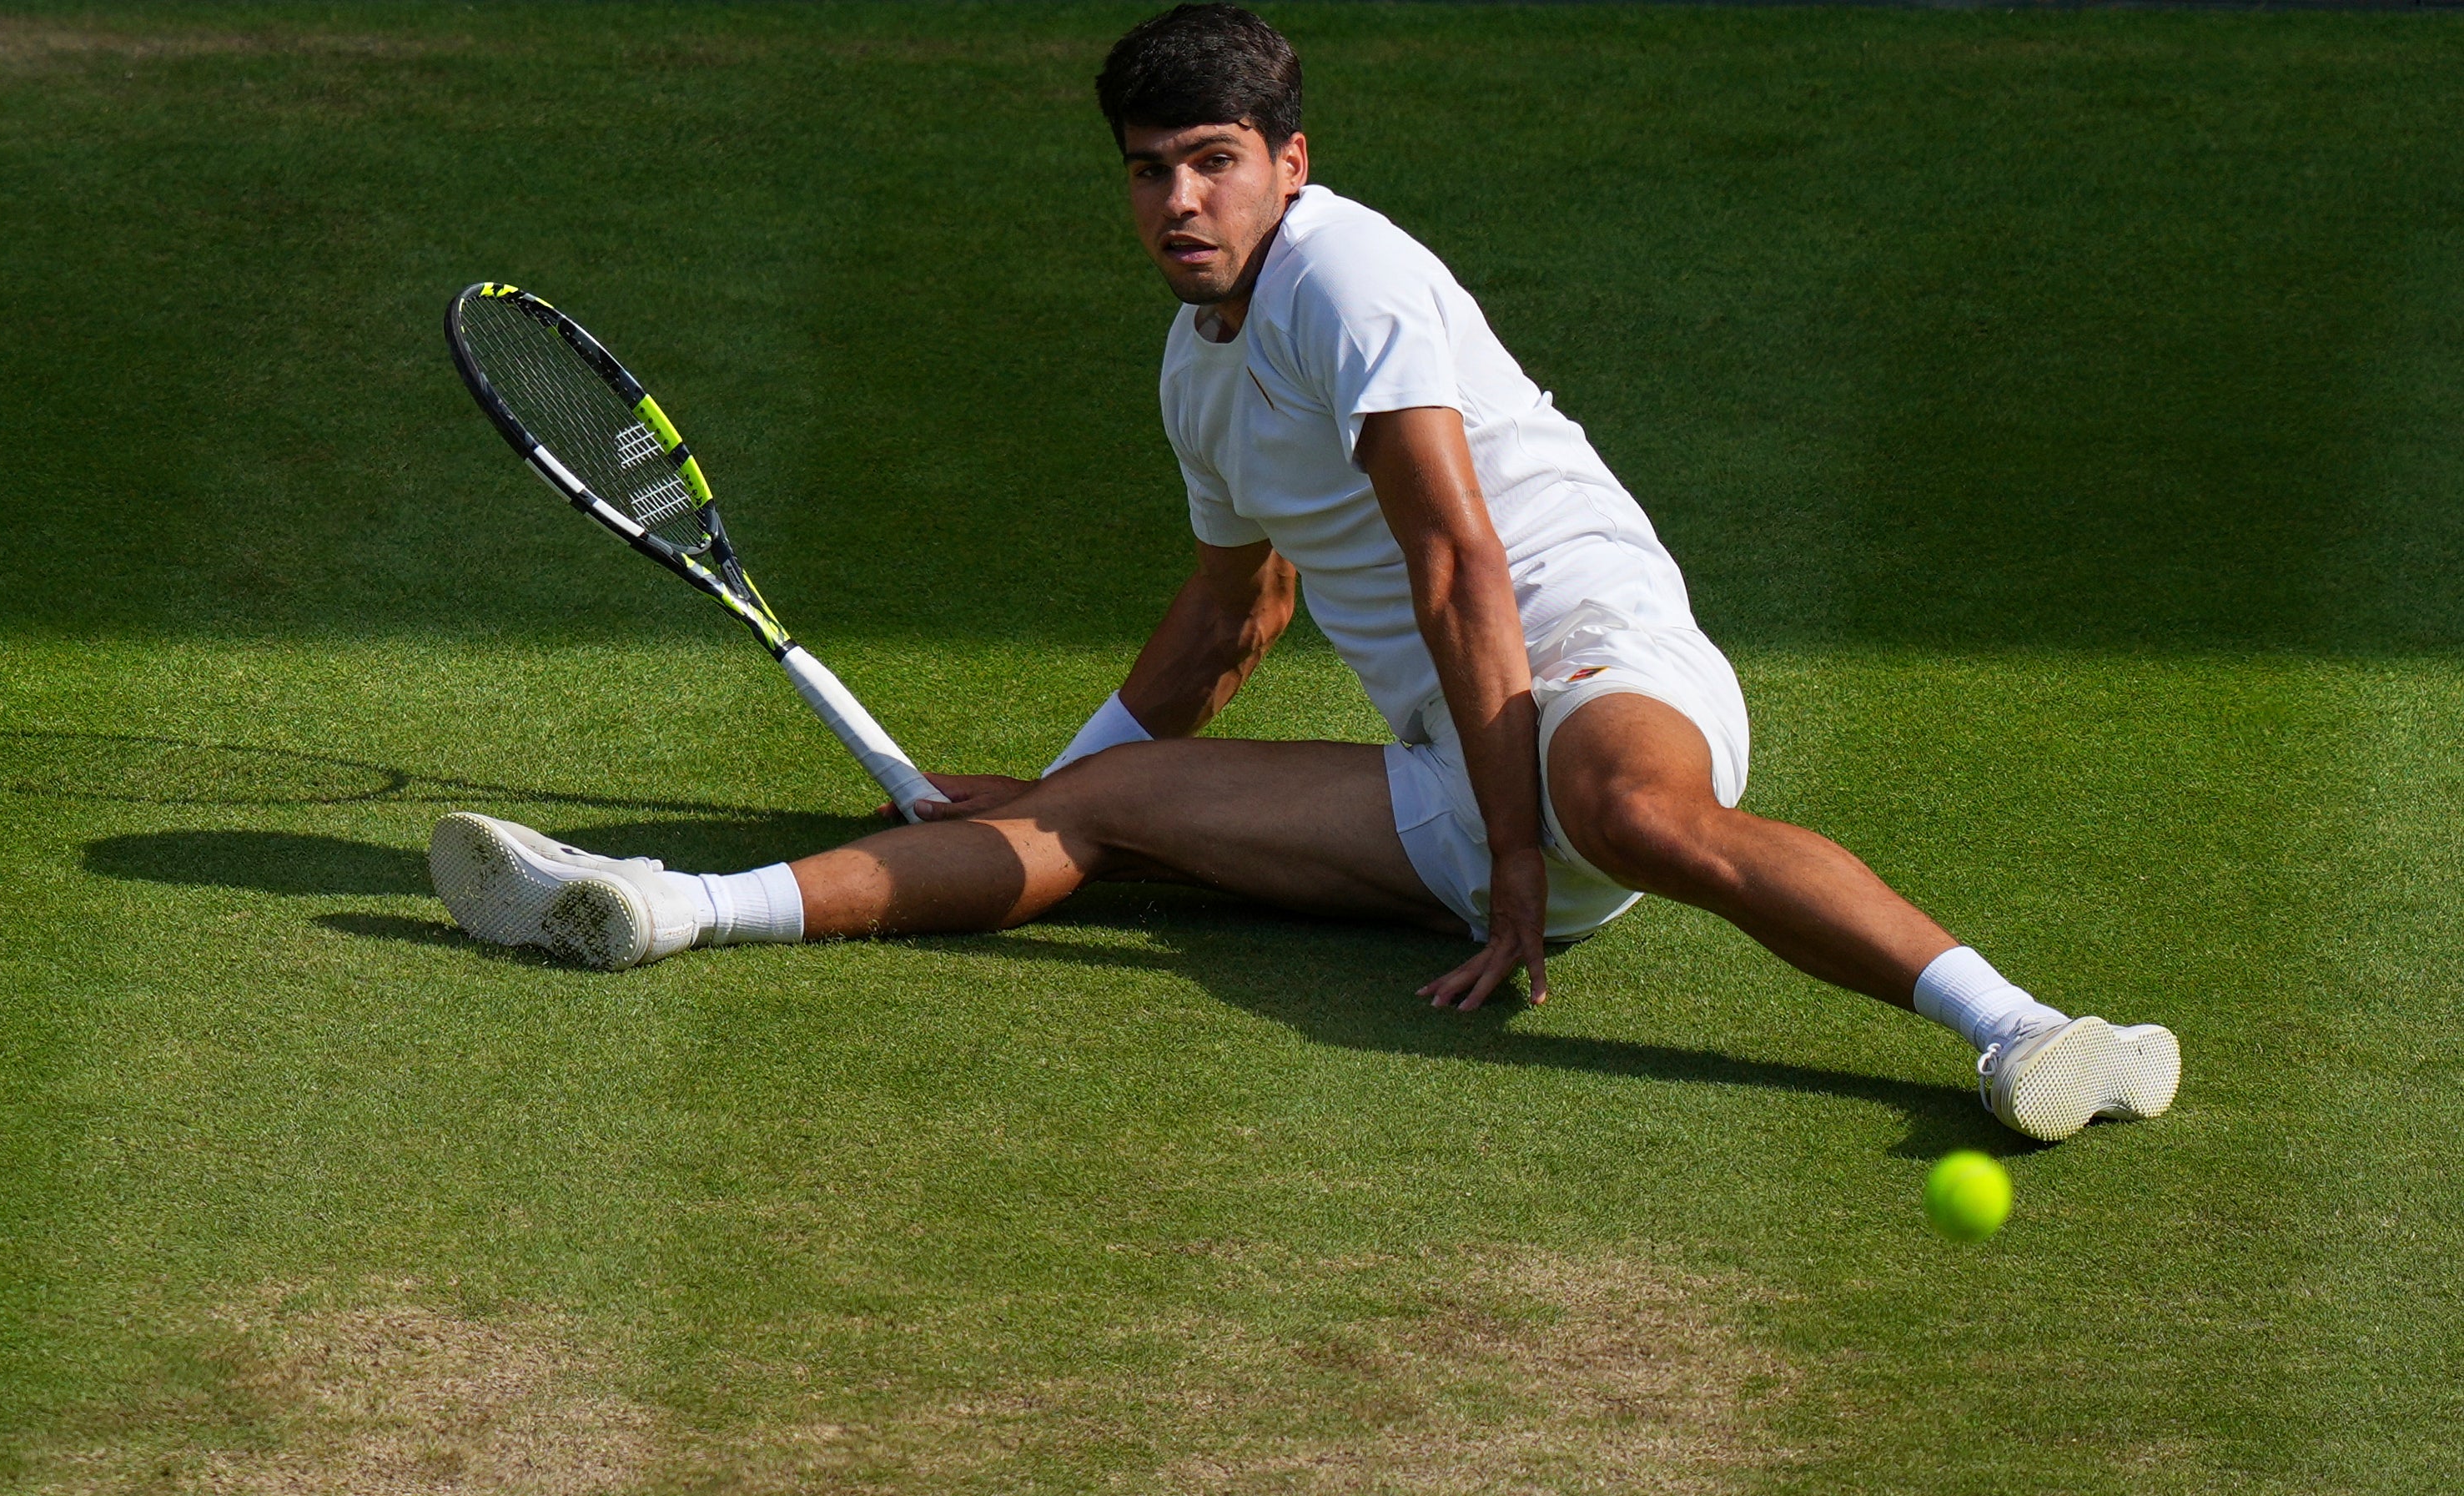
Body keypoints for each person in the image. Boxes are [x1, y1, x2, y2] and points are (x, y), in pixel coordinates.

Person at [429, 2, 2178, 1143]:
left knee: (1628, 806)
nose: (1179, 201)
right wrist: (1061, 779)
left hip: (1588, 669)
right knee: (1102, 824)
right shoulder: (1194, 370)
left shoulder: (1351, 278)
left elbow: (1458, 563)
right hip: (1453, 775)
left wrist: (1513, 863)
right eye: (1148, 172)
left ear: (1288, 163)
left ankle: (2024, 1031)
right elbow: (1233, 615)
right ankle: (671, 906)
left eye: (1213, 163)